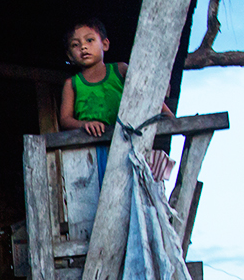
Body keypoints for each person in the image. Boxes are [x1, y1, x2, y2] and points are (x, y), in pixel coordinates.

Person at [57, 18, 175, 180]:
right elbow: (65, 119)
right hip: (88, 149)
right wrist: (84, 125)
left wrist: (166, 114)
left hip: (125, 143)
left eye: (90, 40)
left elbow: (146, 94)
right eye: (75, 45)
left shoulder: (120, 70)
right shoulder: (72, 84)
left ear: (105, 44)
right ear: (70, 55)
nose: (83, 47)